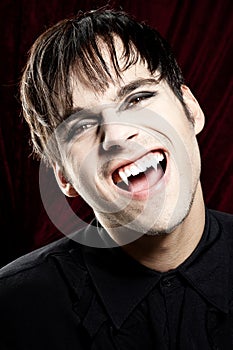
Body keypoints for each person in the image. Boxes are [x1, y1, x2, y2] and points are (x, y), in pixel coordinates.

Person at [0, 8, 233, 350]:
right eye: (80, 126)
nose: (117, 134)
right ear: (62, 175)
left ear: (191, 108)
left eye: (137, 98)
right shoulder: (11, 310)